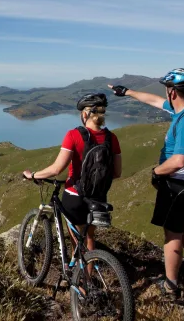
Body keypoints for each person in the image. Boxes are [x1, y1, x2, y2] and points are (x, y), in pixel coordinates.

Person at [109, 68, 184, 299]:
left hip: (179, 183)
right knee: (181, 221)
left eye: (167, 89)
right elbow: (154, 101)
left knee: (172, 232)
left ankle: (171, 285)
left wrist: (157, 171)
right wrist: (127, 92)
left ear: (173, 91)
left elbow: (179, 160)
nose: (165, 94)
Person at [22, 93, 123, 251]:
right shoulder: (112, 138)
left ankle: (75, 272)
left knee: (76, 240)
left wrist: (33, 175)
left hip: (75, 196)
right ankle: (88, 275)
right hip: (98, 197)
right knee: (90, 237)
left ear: (84, 114)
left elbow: (56, 169)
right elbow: (117, 172)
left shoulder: (74, 135)